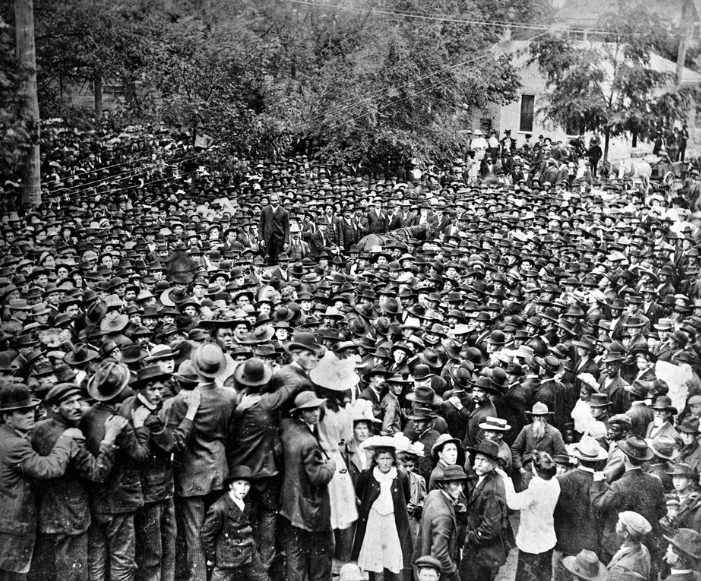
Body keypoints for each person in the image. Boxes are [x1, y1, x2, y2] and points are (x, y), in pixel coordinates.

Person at [30, 382, 126, 581]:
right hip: (72, 518)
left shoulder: (39, 428)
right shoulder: (73, 437)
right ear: (55, 408)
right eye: (69, 402)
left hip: (45, 515)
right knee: (74, 575)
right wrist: (109, 439)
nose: (77, 406)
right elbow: (97, 473)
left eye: (79, 401)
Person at [120, 364, 201, 581]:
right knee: (154, 552)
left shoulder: (131, 404)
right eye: (152, 389)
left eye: (160, 388)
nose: (158, 393)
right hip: (154, 492)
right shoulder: (147, 416)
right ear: (141, 389)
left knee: (163, 546)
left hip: (156, 488)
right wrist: (191, 412)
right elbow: (177, 443)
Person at [167, 343, 238, 581]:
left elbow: (176, 439)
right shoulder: (229, 396)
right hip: (219, 468)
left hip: (191, 473)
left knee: (194, 533)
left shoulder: (182, 401)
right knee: (219, 529)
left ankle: (197, 578)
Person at [0, 383, 83, 581]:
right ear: (6, 417)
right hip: (15, 526)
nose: (30, 415)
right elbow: (50, 468)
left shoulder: (7, 436)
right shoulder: (15, 445)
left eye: (31, 410)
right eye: (22, 412)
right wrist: (65, 438)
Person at [79, 361, 153, 581]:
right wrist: (140, 427)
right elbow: (141, 456)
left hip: (94, 497)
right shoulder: (120, 422)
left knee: (97, 558)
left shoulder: (86, 415)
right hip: (120, 500)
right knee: (122, 560)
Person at [227, 356, 302, 572]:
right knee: (268, 517)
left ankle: (246, 567)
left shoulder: (237, 404)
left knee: (244, 520)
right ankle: (264, 567)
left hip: (242, 473)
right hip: (268, 471)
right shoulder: (270, 405)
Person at [279, 391, 336, 581]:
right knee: (321, 553)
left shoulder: (287, 427)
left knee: (295, 552)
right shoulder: (309, 442)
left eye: (316, 408)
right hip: (310, 509)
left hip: (290, 504)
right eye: (309, 410)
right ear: (300, 413)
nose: (315, 413)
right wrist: (330, 466)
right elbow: (318, 478)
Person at [591, 436, 666, 572]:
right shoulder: (655, 481)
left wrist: (597, 483)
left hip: (618, 543)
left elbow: (598, 505)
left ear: (624, 458)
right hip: (647, 540)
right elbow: (662, 511)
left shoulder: (619, 485)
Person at [351, 436, 413, 581]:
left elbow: (406, 496)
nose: (385, 462)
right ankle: (373, 578)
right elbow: (360, 491)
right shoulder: (367, 475)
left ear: (393, 460)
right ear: (376, 459)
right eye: (382, 458)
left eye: (388, 458)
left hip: (392, 520)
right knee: (373, 555)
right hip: (373, 519)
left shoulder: (400, 476)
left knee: (391, 555)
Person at [497, 451, 560, 581]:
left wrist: (505, 478)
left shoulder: (536, 488)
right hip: (547, 537)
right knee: (544, 575)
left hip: (532, 542)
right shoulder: (554, 483)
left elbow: (513, 502)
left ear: (536, 470)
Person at [553, 437, 608, 581]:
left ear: (577, 458)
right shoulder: (603, 486)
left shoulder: (561, 480)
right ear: (597, 461)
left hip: (563, 545)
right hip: (590, 550)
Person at [200, 465, 268, 581]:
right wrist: (211, 558)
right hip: (228, 559)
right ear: (231, 485)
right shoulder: (219, 508)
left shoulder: (247, 501)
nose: (243, 489)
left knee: (263, 578)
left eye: (246, 485)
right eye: (239, 484)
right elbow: (206, 535)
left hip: (248, 552)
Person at [461, 439, 509, 581]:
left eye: (484, 460)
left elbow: (490, 529)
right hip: (482, 553)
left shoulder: (492, 488)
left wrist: (469, 538)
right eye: (477, 459)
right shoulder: (486, 479)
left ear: (493, 464)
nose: (479, 464)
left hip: (482, 555)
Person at [414, 465, 466, 581]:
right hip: (436, 573)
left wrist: (455, 507)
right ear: (445, 484)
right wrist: (454, 573)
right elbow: (440, 554)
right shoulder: (444, 515)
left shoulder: (433, 494)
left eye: (461, 484)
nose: (460, 489)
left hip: (423, 565)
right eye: (455, 484)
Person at [259, 193, 290, 265]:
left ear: (279, 200)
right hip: (268, 239)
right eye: (272, 201)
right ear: (270, 201)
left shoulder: (284, 212)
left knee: (279, 260)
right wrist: (261, 239)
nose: (274, 202)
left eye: (276, 200)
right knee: (268, 260)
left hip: (279, 239)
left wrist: (286, 242)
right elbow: (261, 225)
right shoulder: (265, 210)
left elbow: (287, 228)